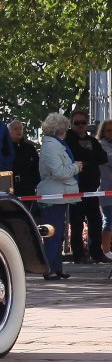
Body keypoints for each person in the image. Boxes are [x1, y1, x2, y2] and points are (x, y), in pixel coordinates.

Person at [37, 112, 79, 279]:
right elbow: (59, 172)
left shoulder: (56, 144)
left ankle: (57, 266)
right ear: (61, 129)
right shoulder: (50, 146)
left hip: (59, 195)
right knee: (52, 234)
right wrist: (76, 167)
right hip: (52, 196)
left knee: (58, 233)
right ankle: (49, 269)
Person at [65, 110, 106, 263]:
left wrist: (87, 158)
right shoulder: (68, 139)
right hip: (76, 187)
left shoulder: (92, 140)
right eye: (77, 123)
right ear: (71, 123)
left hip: (92, 188)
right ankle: (78, 255)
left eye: (83, 123)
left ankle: (97, 253)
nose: (80, 126)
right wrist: (90, 156)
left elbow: (102, 157)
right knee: (77, 222)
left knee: (96, 221)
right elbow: (75, 154)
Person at [10, 120, 40, 210]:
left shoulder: (29, 148)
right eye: (15, 129)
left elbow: (36, 166)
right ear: (10, 131)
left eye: (20, 128)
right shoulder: (6, 148)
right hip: (12, 186)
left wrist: (35, 183)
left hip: (28, 187)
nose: (19, 131)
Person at [98, 120, 112, 258]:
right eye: (108, 130)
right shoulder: (101, 145)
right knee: (109, 219)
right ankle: (106, 252)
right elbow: (109, 159)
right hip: (106, 188)